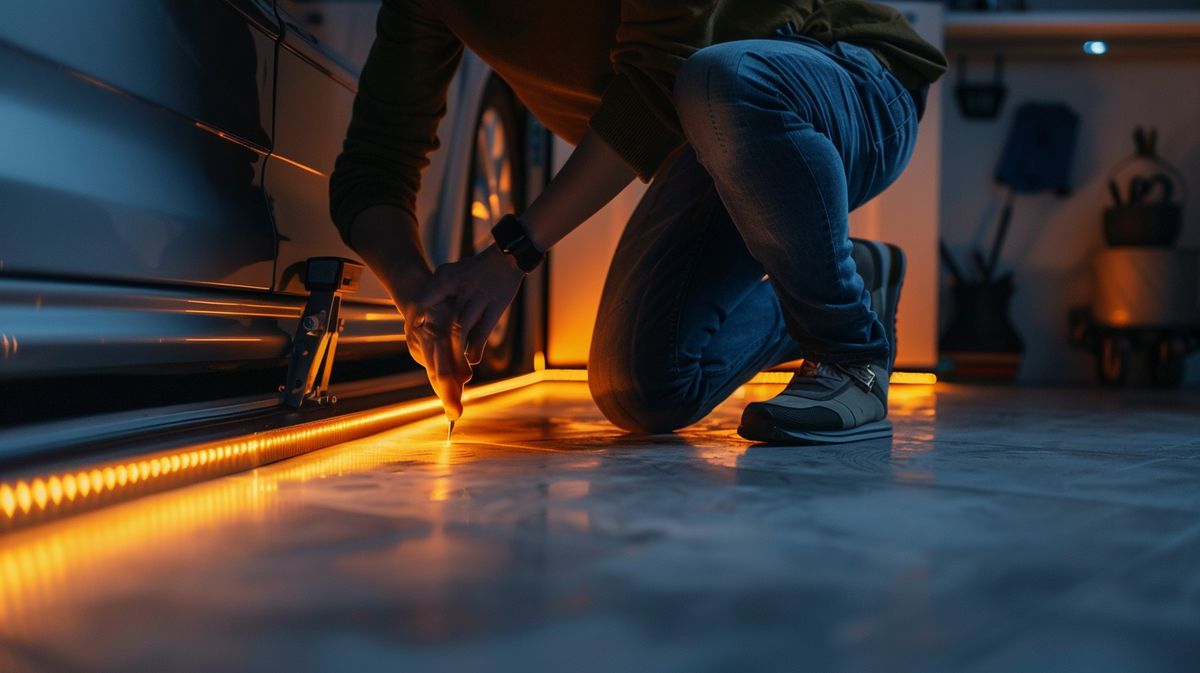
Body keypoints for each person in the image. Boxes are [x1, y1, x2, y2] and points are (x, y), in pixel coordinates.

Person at [330, 0, 947, 444]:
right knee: (641, 389)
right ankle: (851, 281)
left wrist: (510, 254)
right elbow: (373, 168)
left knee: (724, 78)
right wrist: (417, 298)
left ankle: (850, 353)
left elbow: (658, 80)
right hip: (705, 141)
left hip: (849, 78)